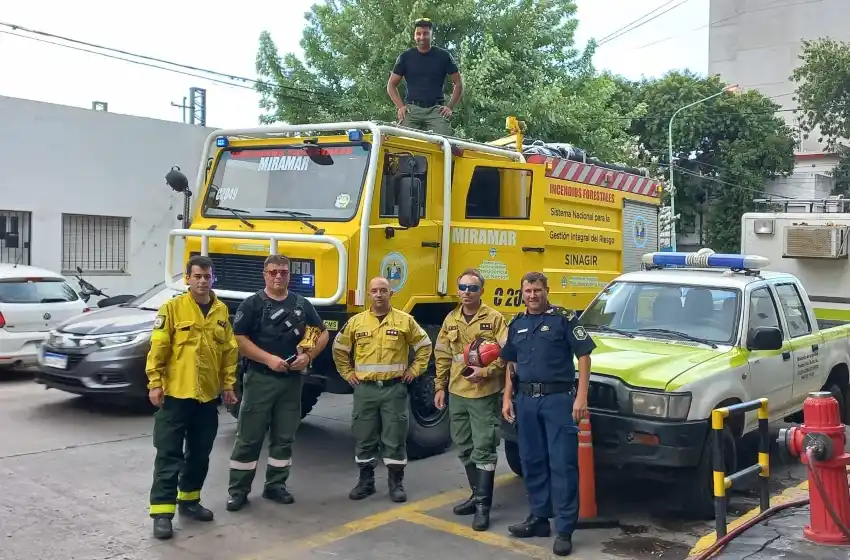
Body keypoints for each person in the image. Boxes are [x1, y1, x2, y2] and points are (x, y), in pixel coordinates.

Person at [500, 272, 596, 557]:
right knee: (532, 460)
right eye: (528, 290)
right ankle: (540, 518)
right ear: (522, 293)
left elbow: (585, 355)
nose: (532, 295)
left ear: (546, 291)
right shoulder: (516, 323)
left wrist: (581, 396)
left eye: (537, 290)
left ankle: (565, 528)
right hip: (526, 400)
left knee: (562, 464)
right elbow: (512, 363)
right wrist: (507, 397)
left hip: (557, 400)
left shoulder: (564, 319)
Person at [146, 255, 239, 540]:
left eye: (206, 276)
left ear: (212, 278)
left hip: (207, 397)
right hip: (176, 395)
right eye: (197, 276)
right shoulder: (172, 308)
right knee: (169, 455)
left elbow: (229, 353)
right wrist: (155, 382)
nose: (202, 281)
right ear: (187, 278)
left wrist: (228, 385)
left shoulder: (221, 311)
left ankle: (189, 501)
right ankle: (162, 513)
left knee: (199, 454)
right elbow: (158, 348)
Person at [225, 254, 329, 511]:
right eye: (273, 272)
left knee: (284, 437)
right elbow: (239, 339)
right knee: (249, 437)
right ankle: (238, 490)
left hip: (291, 382)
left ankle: (275, 486)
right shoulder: (252, 304)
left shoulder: (302, 304)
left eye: (283, 272)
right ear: (265, 275)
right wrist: (268, 359)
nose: (278, 276)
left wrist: (308, 356)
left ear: (289, 275)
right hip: (261, 379)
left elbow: (323, 333)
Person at [331, 276, 432, 503]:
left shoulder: (405, 321)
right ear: (369, 294)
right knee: (364, 436)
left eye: (383, 290)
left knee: (394, 438)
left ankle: (396, 484)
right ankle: (365, 482)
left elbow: (425, 346)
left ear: (391, 293)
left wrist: (415, 371)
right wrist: (347, 373)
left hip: (393, 389)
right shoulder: (357, 322)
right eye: (374, 291)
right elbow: (339, 348)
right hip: (365, 390)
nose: (378, 294)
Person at [433, 269, 508, 531]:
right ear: (458, 289)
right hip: (457, 391)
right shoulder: (451, 319)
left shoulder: (494, 319)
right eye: (463, 287)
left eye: (473, 288)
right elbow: (442, 355)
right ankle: (476, 495)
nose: (467, 292)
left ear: (481, 292)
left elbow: (507, 353)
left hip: (483, 394)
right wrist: (439, 386)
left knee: (484, 447)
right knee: (464, 446)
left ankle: (483, 508)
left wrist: (486, 372)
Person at [387, 17, 463, 136]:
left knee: (447, 141)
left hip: (436, 109)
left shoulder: (444, 56)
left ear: (432, 35)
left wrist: (449, 107)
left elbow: (458, 83)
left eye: (425, 33)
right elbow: (391, 84)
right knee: (402, 141)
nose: (422, 37)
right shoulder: (405, 57)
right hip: (412, 109)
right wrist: (401, 107)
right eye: (418, 34)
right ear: (414, 36)